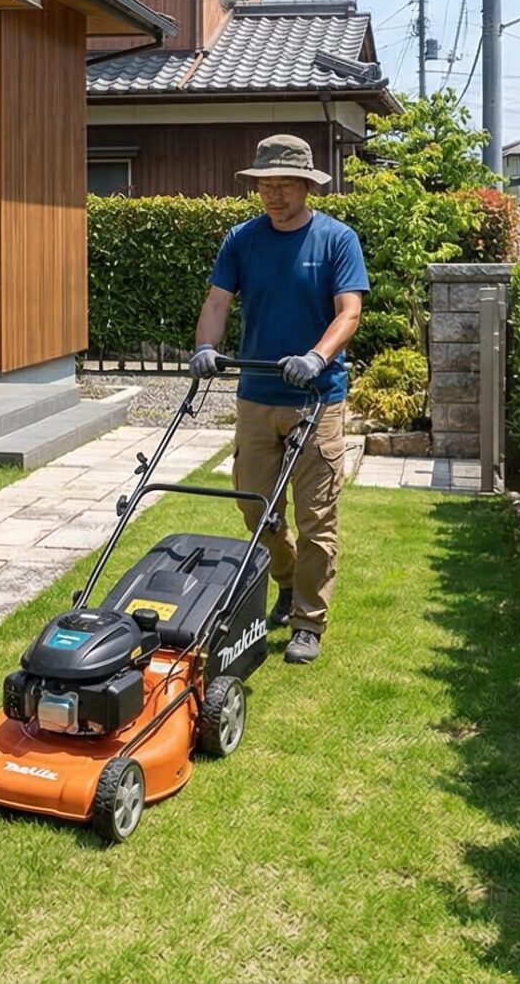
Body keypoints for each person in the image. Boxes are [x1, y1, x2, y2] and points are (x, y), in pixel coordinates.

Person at [188, 134, 368, 666]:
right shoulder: (242, 240)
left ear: (306, 186)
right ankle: (287, 580)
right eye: (265, 185)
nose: (273, 195)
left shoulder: (336, 239)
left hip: (316, 399)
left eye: (285, 185)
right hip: (257, 395)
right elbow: (218, 300)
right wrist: (205, 347)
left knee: (317, 518)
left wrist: (316, 357)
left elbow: (349, 311)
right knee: (254, 510)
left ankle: (309, 622)